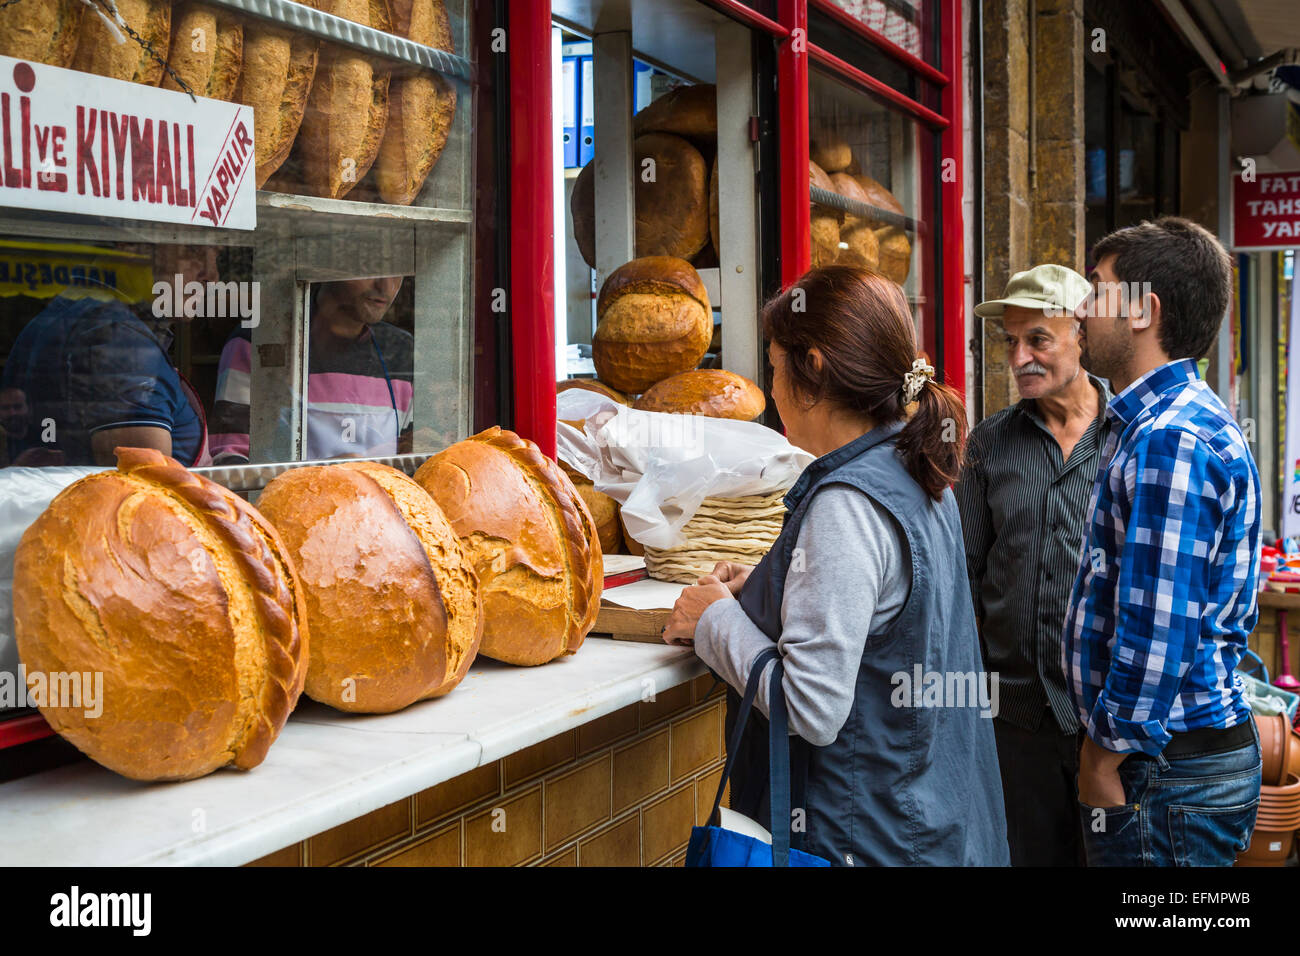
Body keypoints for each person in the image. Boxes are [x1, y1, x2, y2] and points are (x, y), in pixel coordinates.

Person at [663, 266, 1009, 866]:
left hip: (864, 840)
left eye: (774, 367)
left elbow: (813, 708)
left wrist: (715, 619)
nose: (771, 390)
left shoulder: (846, 502)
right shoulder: (916, 468)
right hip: (931, 830)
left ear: (814, 369)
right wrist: (770, 590)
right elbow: (889, 618)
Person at [1064, 216, 1262, 867]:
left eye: (1098, 289)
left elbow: (1158, 628)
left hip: (1160, 771)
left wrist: (1102, 757)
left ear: (1144, 311)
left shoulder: (1169, 438)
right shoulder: (1166, 422)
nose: (1082, 308)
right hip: (1171, 766)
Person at [956, 264, 1104, 866]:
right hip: (1014, 722)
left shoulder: (1132, 439)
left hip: (1109, 721)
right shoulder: (988, 444)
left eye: (1037, 339)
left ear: (1082, 336)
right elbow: (963, 577)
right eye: (1010, 342)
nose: (1019, 357)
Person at [1, 245, 215, 467]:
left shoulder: (67, 315)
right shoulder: (119, 340)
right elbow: (142, 488)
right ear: (135, 248)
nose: (212, 277)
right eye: (195, 252)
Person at [210, 276, 412, 463]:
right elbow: (231, 459)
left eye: (398, 271)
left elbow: (409, 454)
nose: (385, 286)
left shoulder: (401, 350)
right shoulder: (261, 343)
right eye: (371, 266)